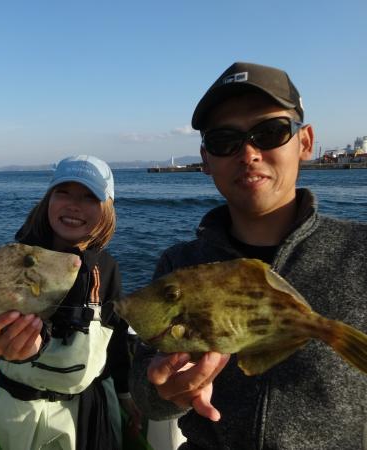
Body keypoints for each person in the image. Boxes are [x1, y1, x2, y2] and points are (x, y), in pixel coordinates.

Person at [129, 62, 367, 449]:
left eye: (270, 132)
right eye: (225, 140)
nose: (249, 153)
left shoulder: (360, 253)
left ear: (305, 142)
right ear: (206, 159)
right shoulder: (179, 264)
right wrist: (166, 389)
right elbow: (146, 386)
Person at [0, 155, 140, 450]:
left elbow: (116, 337)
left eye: (89, 197)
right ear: (48, 200)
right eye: (63, 192)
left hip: (93, 407)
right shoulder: (19, 258)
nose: (73, 205)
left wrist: (124, 394)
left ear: (107, 209)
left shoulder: (107, 268)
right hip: (23, 408)